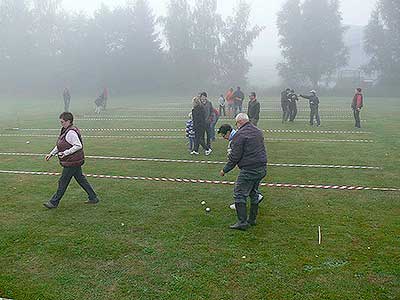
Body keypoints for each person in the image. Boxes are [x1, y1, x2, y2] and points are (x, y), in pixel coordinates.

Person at [220, 113, 267, 230]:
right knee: (253, 192)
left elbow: (234, 157)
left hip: (249, 169)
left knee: (239, 193)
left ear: (239, 122)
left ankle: (242, 222)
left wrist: (225, 170)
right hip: (262, 167)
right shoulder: (258, 131)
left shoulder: (239, 135)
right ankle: (252, 220)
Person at [43, 112, 99, 209]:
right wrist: (51, 154)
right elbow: (60, 144)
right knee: (81, 179)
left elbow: (78, 146)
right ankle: (93, 197)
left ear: (68, 121)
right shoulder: (66, 130)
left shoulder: (71, 132)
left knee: (63, 182)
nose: (61, 124)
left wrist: (65, 153)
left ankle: (53, 202)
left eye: (62, 122)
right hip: (74, 161)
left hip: (72, 162)